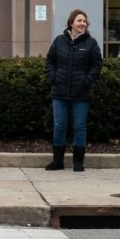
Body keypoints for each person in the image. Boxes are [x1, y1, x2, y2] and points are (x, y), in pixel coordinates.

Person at [44, 9, 103, 172]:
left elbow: (96, 65)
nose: (82, 23)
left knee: (79, 126)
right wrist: (53, 77)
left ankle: (78, 162)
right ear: (71, 23)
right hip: (59, 92)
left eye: (84, 21)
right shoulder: (59, 41)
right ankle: (58, 161)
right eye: (79, 21)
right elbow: (50, 61)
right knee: (59, 126)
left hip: (81, 93)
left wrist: (87, 81)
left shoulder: (91, 43)